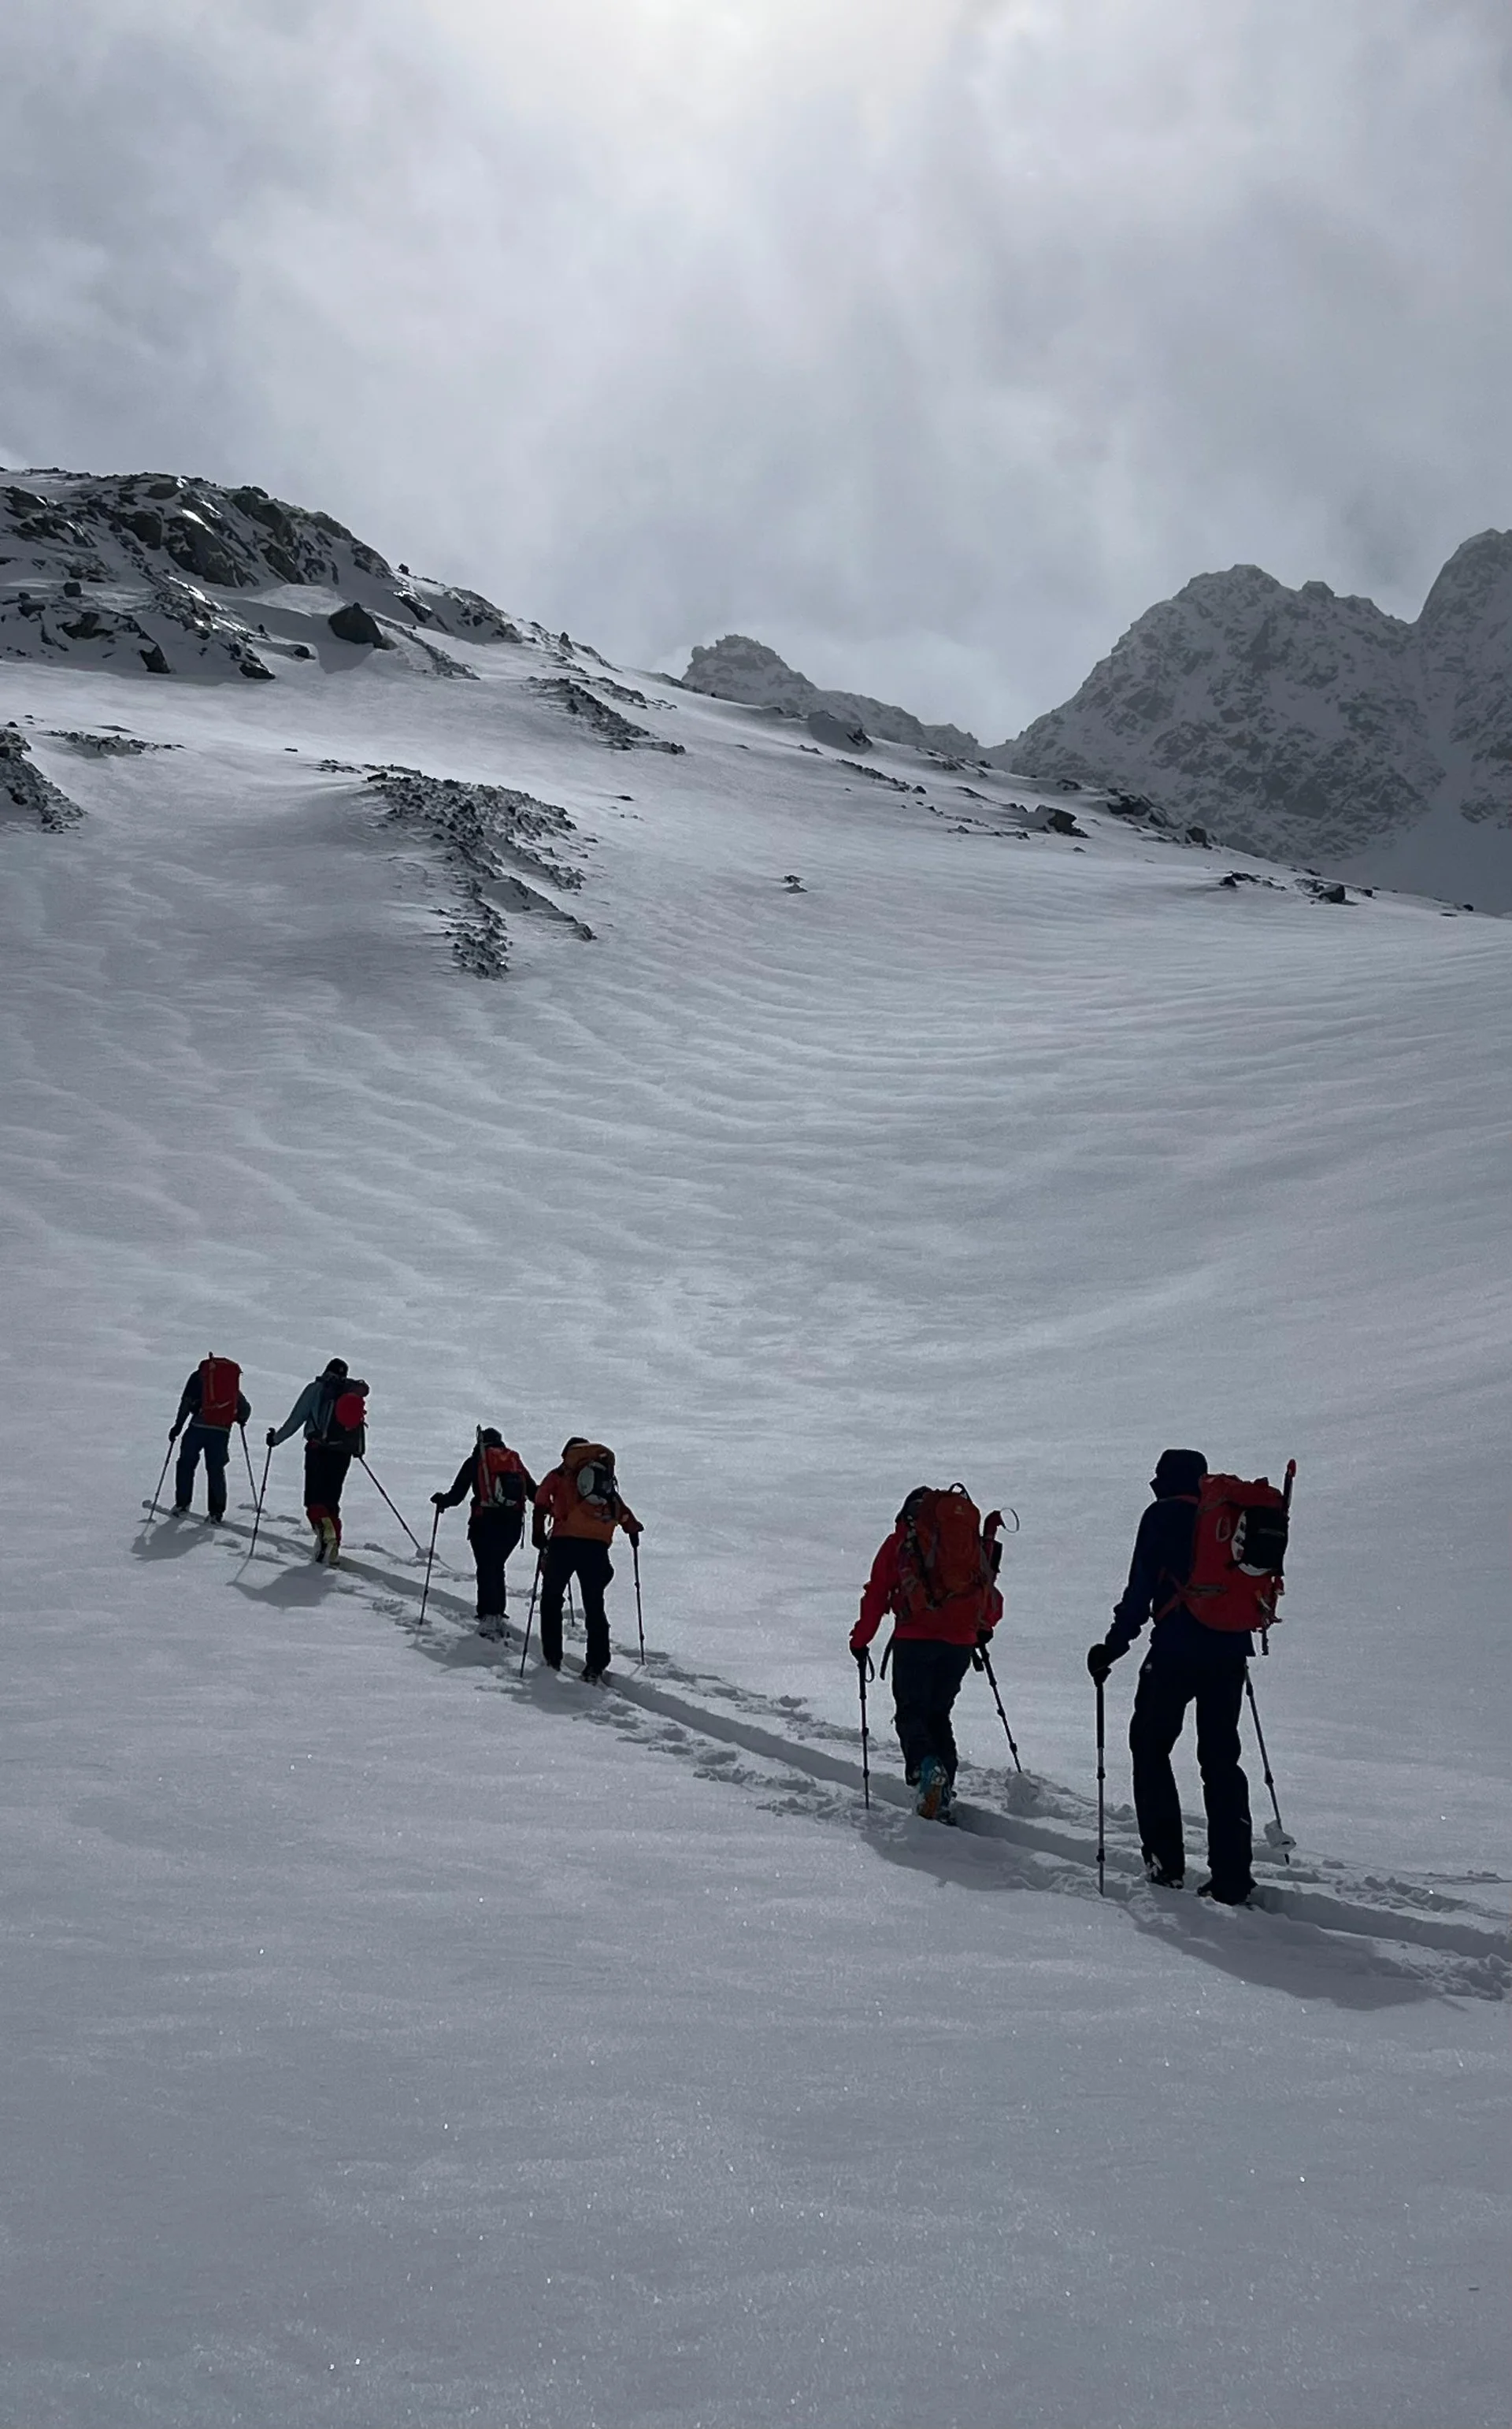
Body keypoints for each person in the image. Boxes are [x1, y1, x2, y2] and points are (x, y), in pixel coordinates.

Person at [1086, 1448, 1255, 1904]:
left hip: (1177, 1649)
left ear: (1164, 1480)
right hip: (1230, 1653)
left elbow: (1140, 1588)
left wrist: (1112, 1646)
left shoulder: (1161, 1517)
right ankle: (1234, 1876)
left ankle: (1165, 1862)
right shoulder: (1227, 1516)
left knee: (1150, 1745)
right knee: (1221, 1760)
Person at [850, 1485, 1004, 1821]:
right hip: (960, 1645)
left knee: (911, 1713)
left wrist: (860, 1640)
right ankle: (943, 1790)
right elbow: (988, 1596)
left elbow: (877, 1594)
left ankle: (927, 1770)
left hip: (915, 1638)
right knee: (938, 1714)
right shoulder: (964, 1547)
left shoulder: (900, 1544)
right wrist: (977, 1628)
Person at [530, 1438, 641, 1681]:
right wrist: (633, 1529)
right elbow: (621, 1511)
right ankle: (596, 1664)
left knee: (551, 1600)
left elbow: (540, 1502)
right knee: (594, 1605)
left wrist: (538, 1536)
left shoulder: (560, 1475)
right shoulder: (602, 1478)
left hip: (563, 1545)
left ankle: (552, 1658)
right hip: (596, 1549)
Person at [432, 1430, 539, 1637]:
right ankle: (496, 1613)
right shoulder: (514, 1462)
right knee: (497, 1566)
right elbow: (534, 1492)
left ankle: (489, 1616)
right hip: (513, 1526)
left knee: (487, 1568)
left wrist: (441, 1500)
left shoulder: (476, 1461)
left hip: (485, 1523)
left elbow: (456, 1496)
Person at [265, 1359, 369, 1563]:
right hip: (343, 1453)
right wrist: (358, 1450)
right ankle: (334, 1547)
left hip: (318, 1449)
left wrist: (275, 1439)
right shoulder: (350, 1394)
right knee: (331, 1500)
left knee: (314, 1499)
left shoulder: (317, 1389)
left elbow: (297, 1418)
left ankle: (325, 1537)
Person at [168, 1354, 251, 1521]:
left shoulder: (199, 1376)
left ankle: (182, 1504)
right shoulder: (227, 1382)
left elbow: (186, 1403)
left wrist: (177, 1427)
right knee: (215, 1470)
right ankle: (216, 1512)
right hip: (221, 1431)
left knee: (186, 1464)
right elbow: (245, 1409)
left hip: (197, 1427)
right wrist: (238, 1419)